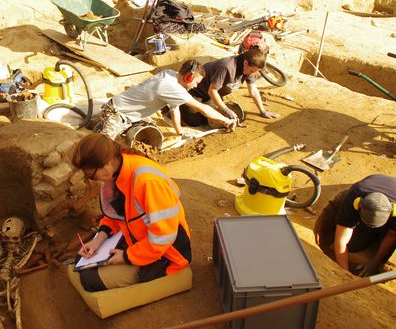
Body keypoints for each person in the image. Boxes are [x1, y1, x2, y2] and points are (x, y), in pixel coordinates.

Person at [71, 133, 192, 292]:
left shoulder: (147, 182)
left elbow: (163, 237)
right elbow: (116, 214)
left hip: (167, 254)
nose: (91, 179)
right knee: (82, 260)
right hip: (140, 241)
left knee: (90, 280)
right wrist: (98, 240)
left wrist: (126, 257)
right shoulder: (117, 170)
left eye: (90, 175)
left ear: (106, 164)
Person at [95, 59, 237, 141]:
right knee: (104, 145)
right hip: (116, 112)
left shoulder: (170, 74)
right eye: (196, 82)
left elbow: (174, 110)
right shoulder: (171, 87)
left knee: (151, 127)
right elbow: (203, 108)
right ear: (188, 77)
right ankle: (101, 128)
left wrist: (179, 131)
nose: (196, 86)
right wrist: (226, 120)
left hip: (129, 115)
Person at [333, 174, 396, 276]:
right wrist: (345, 272)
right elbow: (341, 241)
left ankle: (378, 236)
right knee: (353, 245)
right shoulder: (353, 197)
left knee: (387, 241)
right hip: (373, 184)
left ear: (393, 211)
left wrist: (376, 262)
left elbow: (392, 235)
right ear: (358, 205)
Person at [179, 48, 279, 127]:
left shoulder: (250, 69)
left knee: (212, 118)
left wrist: (262, 111)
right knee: (195, 121)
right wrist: (225, 109)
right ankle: (175, 104)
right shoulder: (227, 67)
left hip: (210, 96)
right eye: (253, 71)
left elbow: (253, 90)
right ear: (245, 63)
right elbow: (212, 91)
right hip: (194, 91)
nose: (254, 74)